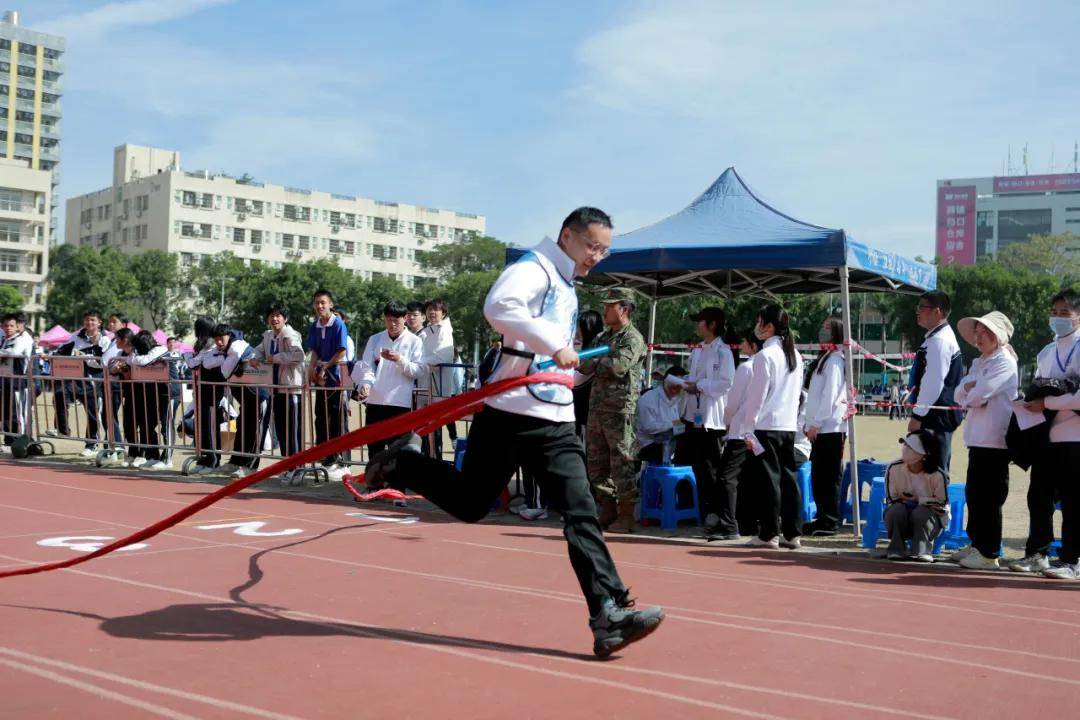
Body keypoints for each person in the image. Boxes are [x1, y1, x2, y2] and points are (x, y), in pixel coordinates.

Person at [363, 207, 664, 658]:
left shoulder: (566, 282)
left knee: (580, 511)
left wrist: (572, 363)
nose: (597, 256)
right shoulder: (536, 267)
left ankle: (609, 612)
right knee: (470, 502)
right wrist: (554, 345)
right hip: (509, 412)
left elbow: (553, 355)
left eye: (604, 249)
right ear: (568, 236)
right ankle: (401, 463)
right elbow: (498, 308)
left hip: (555, 418)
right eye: (592, 246)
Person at [1012, 288, 1080, 578]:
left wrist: (1049, 402)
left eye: (1065, 312)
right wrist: (1029, 404)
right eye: (1054, 312)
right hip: (1045, 437)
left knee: (1074, 501)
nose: (1058, 318)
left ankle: (1072, 560)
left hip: (1075, 438)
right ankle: (1037, 553)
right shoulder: (1047, 351)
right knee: (1038, 498)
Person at [950, 311, 1018, 570]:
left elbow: (979, 395)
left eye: (984, 332)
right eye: (976, 333)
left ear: (998, 335)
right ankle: (976, 543)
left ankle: (989, 552)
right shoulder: (979, 362)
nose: (978, 338)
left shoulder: (1004, 361)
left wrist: (970, 390)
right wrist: (970, 389)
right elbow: (960, 392)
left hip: (995, 440)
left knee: (989, 498)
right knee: (975, 495)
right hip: (977, 439)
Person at [581, 287, 648, 533]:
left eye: (611, 306)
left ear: (625, 309)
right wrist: (599, 361)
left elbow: (618, 366)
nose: (605, 310)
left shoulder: (633, 339)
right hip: (598, 409)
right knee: (596, 464)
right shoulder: (603, 338)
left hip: (620, 411)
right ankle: (607, 508)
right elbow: (583, 364)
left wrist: (598, 361)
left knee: (622, 463)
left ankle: (627, 516)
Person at [741, 304, 803, 550]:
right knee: (788, 480)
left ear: (768, 327)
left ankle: (769, 534)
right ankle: (792, 532)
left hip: (766, 425)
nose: (756, 326)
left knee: (769, 481)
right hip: (787, 425)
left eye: (759, 321)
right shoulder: (795, 355)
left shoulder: (765, 356)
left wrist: (747, 428)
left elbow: (756, 398)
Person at [676, 306, 736, 536]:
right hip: (693, 415)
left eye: (700, 321)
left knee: (712, 468)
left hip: (712, 418)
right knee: (695, 464)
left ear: (712, 325)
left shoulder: (723, 351)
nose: (697, 325)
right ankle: (699, 509)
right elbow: (694, 377)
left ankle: (715, 513)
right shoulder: (699, 350)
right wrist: (682, 383)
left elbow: (726, 382)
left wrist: (699, 386)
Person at [352, 300, 424, 457]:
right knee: (374, 447)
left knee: (397, 449)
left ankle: (395, 481)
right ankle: (374, 481)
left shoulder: (415, 341)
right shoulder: (375, 339)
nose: (392, 325)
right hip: (375, 401)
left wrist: (400, 359)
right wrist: (365, 384)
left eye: (396, 320)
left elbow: (418, 371)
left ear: (405, 318)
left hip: (399, 403)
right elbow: (367, 366)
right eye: (388, 320)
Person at [908, 290, 964, 472]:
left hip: (935, 419)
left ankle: (939, 502)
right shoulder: (936, 338)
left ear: (937, 311)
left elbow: (933, 383)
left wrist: (917, 416)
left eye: (921, 307)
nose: (917, 311)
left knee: (933, 473)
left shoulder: (939, 341)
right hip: (934, 417)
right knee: (929, 470)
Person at [802, 316, 848, 537]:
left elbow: (830, 397)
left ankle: (829, 521)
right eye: (823, 326)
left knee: (828, 477)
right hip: (820, 428)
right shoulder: (825, 358)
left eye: (828, 328)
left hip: (831, 428)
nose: (823, 330)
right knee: (819, 477)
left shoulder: (835, 360)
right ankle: (822, 518)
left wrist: (816, 423)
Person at [249, 304, 305, 462]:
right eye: (271, 315)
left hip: (291, 388)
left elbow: (299, 355)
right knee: (281, 430)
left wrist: (276, 358)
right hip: (275, 388)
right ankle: (287, 465)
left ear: (285, 318)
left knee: (293, 431)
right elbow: (259, 350)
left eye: (278, 315)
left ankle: (297, 465)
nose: (274, 319)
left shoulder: (290, 334)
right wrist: (254, 357)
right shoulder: (268, 335)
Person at [882, 431, 949, 562]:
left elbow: (942, 502)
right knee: (895, 511)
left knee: (921, 513)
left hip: (930, 521)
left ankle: (922, 550)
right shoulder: (894, 467)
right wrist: (906, 503)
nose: (905, 449)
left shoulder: (938, 474)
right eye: (905, 445)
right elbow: (892, 498)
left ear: (924, 454)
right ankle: (896, 549)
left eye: (911, 447)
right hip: (902, 517)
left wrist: (920, 501)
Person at [307, 289, 350, 478]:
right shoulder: (315, 325)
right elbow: (314, 349)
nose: (320, 306)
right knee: (320, 416)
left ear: (330, 304)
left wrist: (327, 366)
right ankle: (323, 455)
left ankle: (337, 458)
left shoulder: (338, 324)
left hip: (335, 378)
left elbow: (341, 350)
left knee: (335, 418)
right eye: (317, 302)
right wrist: (312, 366)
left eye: (323, 302)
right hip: (320, 378)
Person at [54, 311, 110, 457]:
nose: (89, 323)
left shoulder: (105, 339)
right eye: (86, 320)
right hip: (75, 379)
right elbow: (62, 349)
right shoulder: (76, 336)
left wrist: (84, 357)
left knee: (93, 413)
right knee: (59, 395)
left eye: (92, 320)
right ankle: (63, 429)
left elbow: (103, 363)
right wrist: (51, 355)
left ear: (99, 322)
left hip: (94, 381)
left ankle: (91, 444)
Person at [725, 329, 762, 537]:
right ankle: (749, 522)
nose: (741, 346)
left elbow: (733, 401)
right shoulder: (765, 366)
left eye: (744, 343)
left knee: (728, 478)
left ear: (753, 346)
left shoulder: (747, 368)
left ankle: (729, 523)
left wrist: (727, 421)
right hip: (757, 430)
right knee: (750, 479)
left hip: (740, 430)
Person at [124, 330, 171, 470]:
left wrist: (132, 356)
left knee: (166, 427)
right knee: (147, 425)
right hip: (154, 392)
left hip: (168, 393)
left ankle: (167, 459)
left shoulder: (160, 350)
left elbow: (143, 361)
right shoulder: (148, 352)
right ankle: (153, 455)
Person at [419, 298, 455, 457]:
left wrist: (417, 363)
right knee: (424, 426)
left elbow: (442, 356)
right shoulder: (426, 331)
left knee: (435, 426)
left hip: (437, 386)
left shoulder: (444, 330)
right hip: (424, 385)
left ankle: (436, 461)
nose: (432, 312)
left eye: (436, 309)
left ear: (443, 313)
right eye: (429, 309)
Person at [635, 366, 687, 465]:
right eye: (673, 383)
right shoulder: (649, 399)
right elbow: (649, 427)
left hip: (667, 443)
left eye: (680, 385)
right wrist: (674, 425)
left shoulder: (676, 400)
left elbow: (678, 426)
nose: (676, 388)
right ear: (665, 381)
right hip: (648, 445)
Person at [0, 312, 32, 448]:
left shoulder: (23, 338)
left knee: (19, 414)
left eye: (11, 325)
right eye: (6, 326)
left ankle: (23, 442)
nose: (8, 328)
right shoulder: (6, 340)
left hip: (19, 381)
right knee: (6, 412)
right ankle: (9, 441)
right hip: (6, 380)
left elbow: (15, 352)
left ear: (18, 326)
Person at [572, 310, 604, 439]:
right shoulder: (589, 349)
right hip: (582, 408)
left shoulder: (593, 351)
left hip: (585, 408)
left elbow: (577, 380)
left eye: (579, 326)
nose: (576, 330)